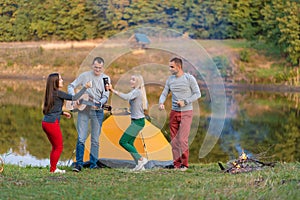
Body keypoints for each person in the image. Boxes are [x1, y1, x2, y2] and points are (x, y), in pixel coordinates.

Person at [42, 73, 91, 173]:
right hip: (52, 124)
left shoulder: (50, 93)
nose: (62, 80)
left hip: (46, 122)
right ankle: (53, 169)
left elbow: (51, 109)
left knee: (55, 147)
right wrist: (85, 87)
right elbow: (75, 97)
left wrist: (63, 113)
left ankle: (53, 168)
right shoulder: (58, 93)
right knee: (59, 147)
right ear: (55, 82)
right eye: (60, 79)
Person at [68, 57, 110, 172]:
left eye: (100, 68)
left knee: (95, 140)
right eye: (96, 67)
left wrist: (100, 103)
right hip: (84, 110)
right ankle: (79, 164)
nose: (97, 69)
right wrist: (74, 97)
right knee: (81, 138)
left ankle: (93, 164)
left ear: (103, 67)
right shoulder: (84, 75)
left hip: (98, 111)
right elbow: (71, 86)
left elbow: (106, 96)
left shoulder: (106, 79)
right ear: (92, 66)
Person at [159, 57, 201, 171]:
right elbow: (164, 93)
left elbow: (198, 94)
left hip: (186, 112)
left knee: (182, 140)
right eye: (169, 66)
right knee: (174, 140)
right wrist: (161, 102)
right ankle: (176, 164)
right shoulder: (170, 80)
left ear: (179, 67)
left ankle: (184, 164)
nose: (170, 69)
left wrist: (185, 102)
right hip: (174, 112)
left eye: (172, 67)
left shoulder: (189, 78)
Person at [106, 74, 148, 171]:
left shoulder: (137, 92)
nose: (130, 81)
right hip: (137, 121)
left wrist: (113, 90)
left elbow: (126, 97)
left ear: (137, 82)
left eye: (133, 80)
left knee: (123, 141)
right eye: (131, 79)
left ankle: (141, 159)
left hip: (138, 122)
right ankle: (140, 166)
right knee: (130, 143)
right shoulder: (137, 92)